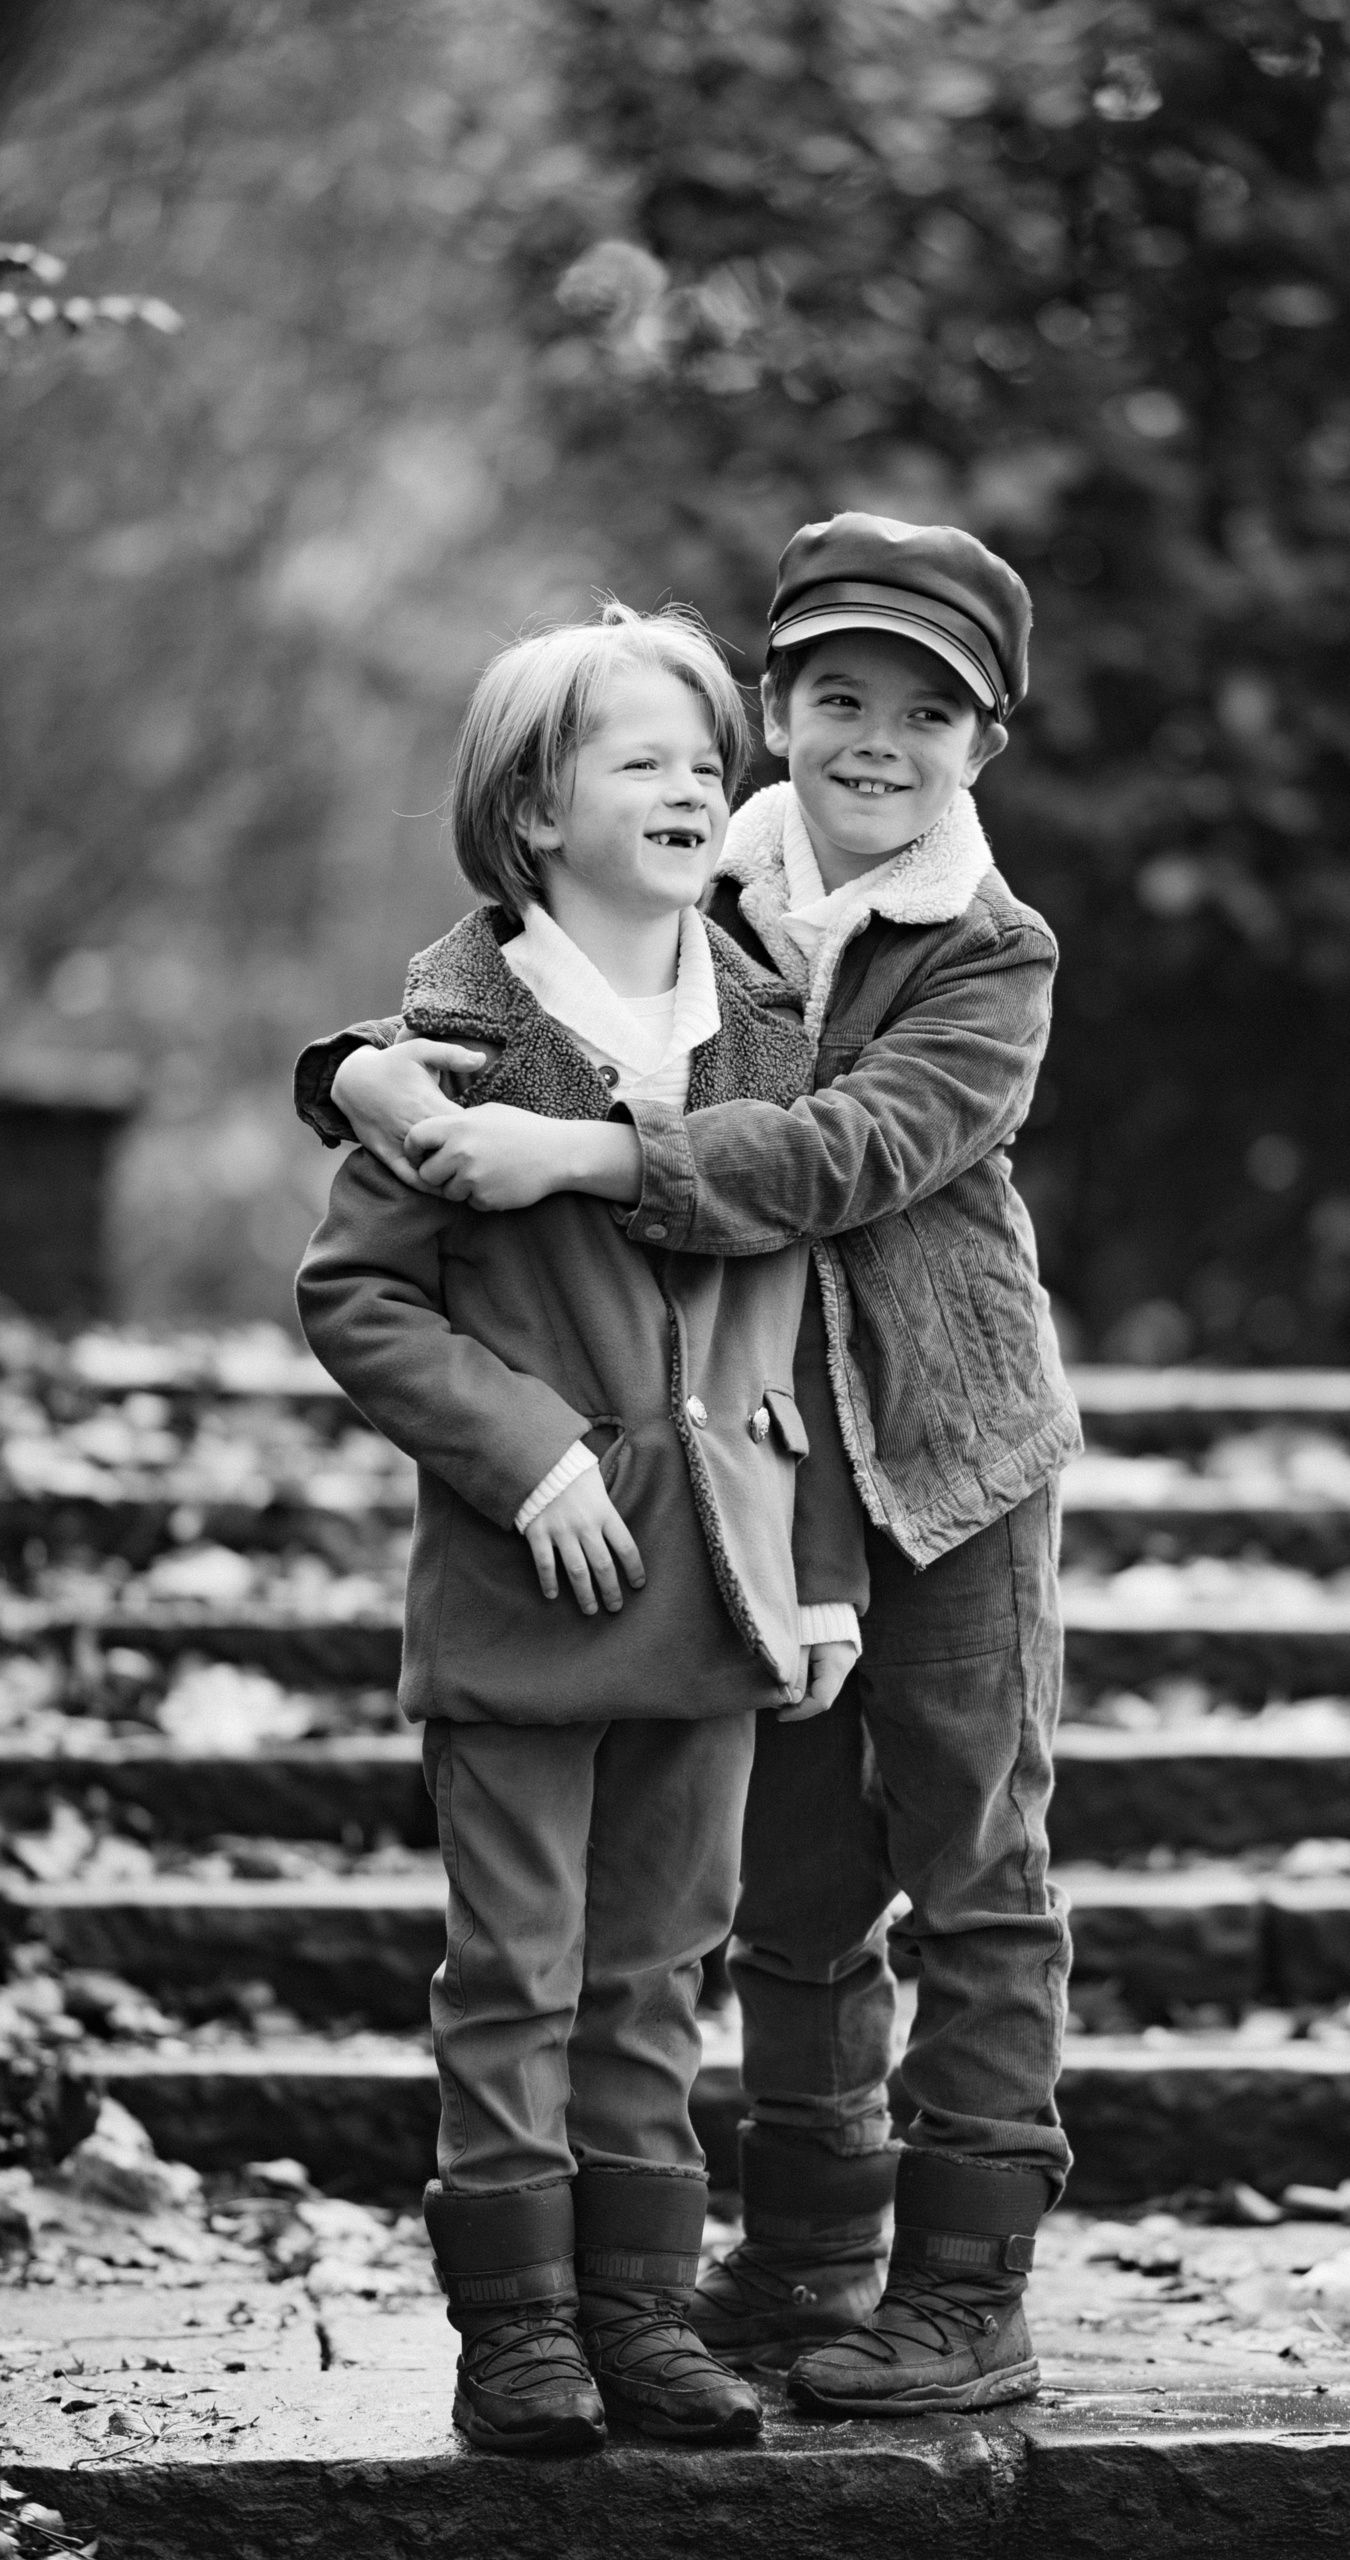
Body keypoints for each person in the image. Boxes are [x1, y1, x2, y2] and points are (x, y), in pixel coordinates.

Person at [297, 515, 1081, 2419]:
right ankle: (801, 2262)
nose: (871, 741)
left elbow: (829, 1159)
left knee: (970, 1859)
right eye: (831, 700)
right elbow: (492, 990)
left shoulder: (988, 950)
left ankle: (967, 2284)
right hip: (728, 1498)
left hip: (941, 1444)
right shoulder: (708, 900)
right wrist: (357, 1074)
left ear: (981, 740)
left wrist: (578, 1161)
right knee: (786, 1891)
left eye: (924, 711)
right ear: (777, 712)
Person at [294, 603, 866, 2457]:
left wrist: (821, 1569)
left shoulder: (766, 1029)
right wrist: (528, 1454)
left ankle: (638, 2313)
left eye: (709, 760)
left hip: (715, 1587)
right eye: (642, 760)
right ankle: (518, 2331)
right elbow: (362, 1298)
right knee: (514, 1974)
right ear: (535, 810)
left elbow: (803, 1333)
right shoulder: (448, 1036)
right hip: (531, 1583)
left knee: (653, 1975)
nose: (696, 785)